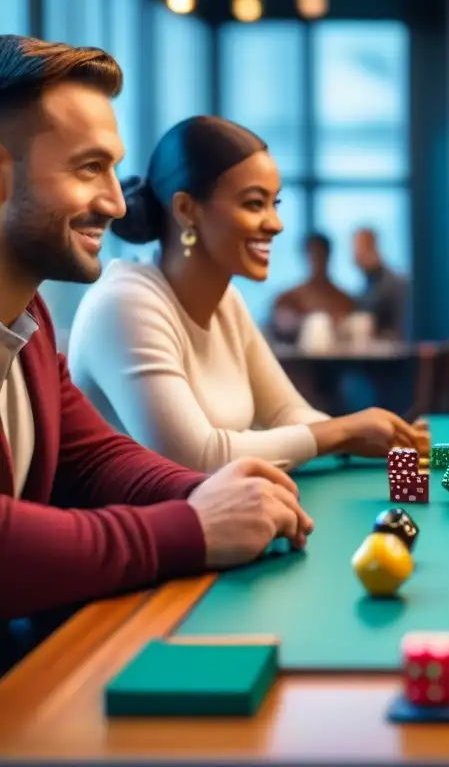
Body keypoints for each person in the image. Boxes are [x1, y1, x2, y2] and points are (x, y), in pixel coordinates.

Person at [0, 35, 313, 662]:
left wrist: (207, 490)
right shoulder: (120, 297)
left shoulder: (26, 317)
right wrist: (194, 526)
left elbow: (90, 459)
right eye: (89, 167)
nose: (118, 202)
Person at [67, 115, 424, 473]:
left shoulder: (227, 300)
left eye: (275, 204)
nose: (276, 224)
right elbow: (197, 459)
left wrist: (372, 438)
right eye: (255, 204)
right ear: (186, 210)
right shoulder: (125, 303)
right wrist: (344, 432)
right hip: (131, 526)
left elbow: (285, 412)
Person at [270, 232, 355, 342]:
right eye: (313, 254)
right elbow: (276, 334)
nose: (317, 260)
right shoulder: (287, 299)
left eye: (321, 254)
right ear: (305, 256)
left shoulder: (344, 300)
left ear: (328, 256)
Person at [350, 227, 407, 340]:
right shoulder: (368, 286)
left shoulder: (392, 285)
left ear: (372, 248)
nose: (354, 257)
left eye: (358, 250)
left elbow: (400, 330)